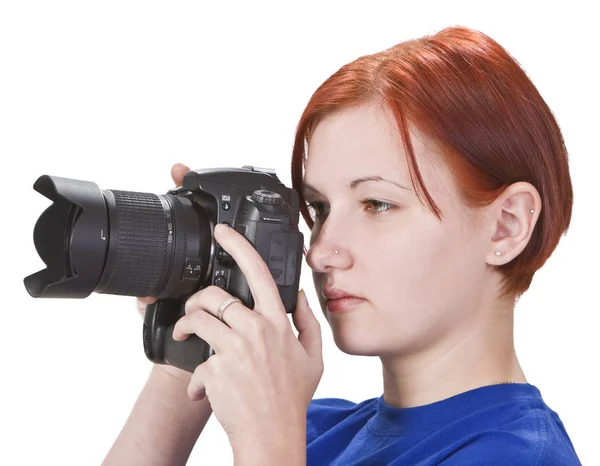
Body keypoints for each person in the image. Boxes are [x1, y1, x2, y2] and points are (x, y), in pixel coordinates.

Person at [103, 25, 582, 465]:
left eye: (377, 204)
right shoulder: (312, 431)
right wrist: (182, 360)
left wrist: (268, 445)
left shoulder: (517, 455)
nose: (320, 251)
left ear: (506, 225)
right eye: (319, 209)